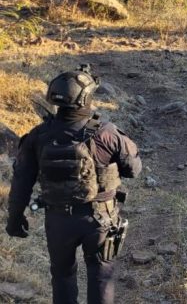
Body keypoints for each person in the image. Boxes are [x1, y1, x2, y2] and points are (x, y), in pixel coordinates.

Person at [6, 65, 142, 304]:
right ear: (86, 98)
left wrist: (15, 219)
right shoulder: (106, 133)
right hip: (100, 219)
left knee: (62, 277)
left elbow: (21, 182)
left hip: (58, 221)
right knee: (101, 277)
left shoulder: (38, 135)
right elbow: (133, 170)